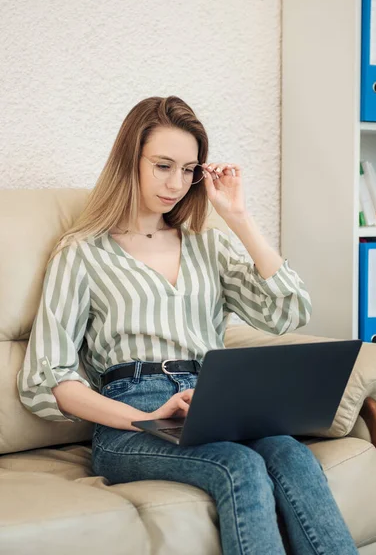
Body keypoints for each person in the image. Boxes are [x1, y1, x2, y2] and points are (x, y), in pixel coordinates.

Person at [17, 96, 358, 555]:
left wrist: (238, 217)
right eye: (162, 166)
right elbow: (49, 379)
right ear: (129, 160)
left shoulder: (207, 245)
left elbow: (289, 311)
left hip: (214, 402)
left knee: (293, 455)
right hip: (130, 417)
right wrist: (147, 418)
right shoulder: (81, 252)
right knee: (239, 465)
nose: (176, 183)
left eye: (188, 169)